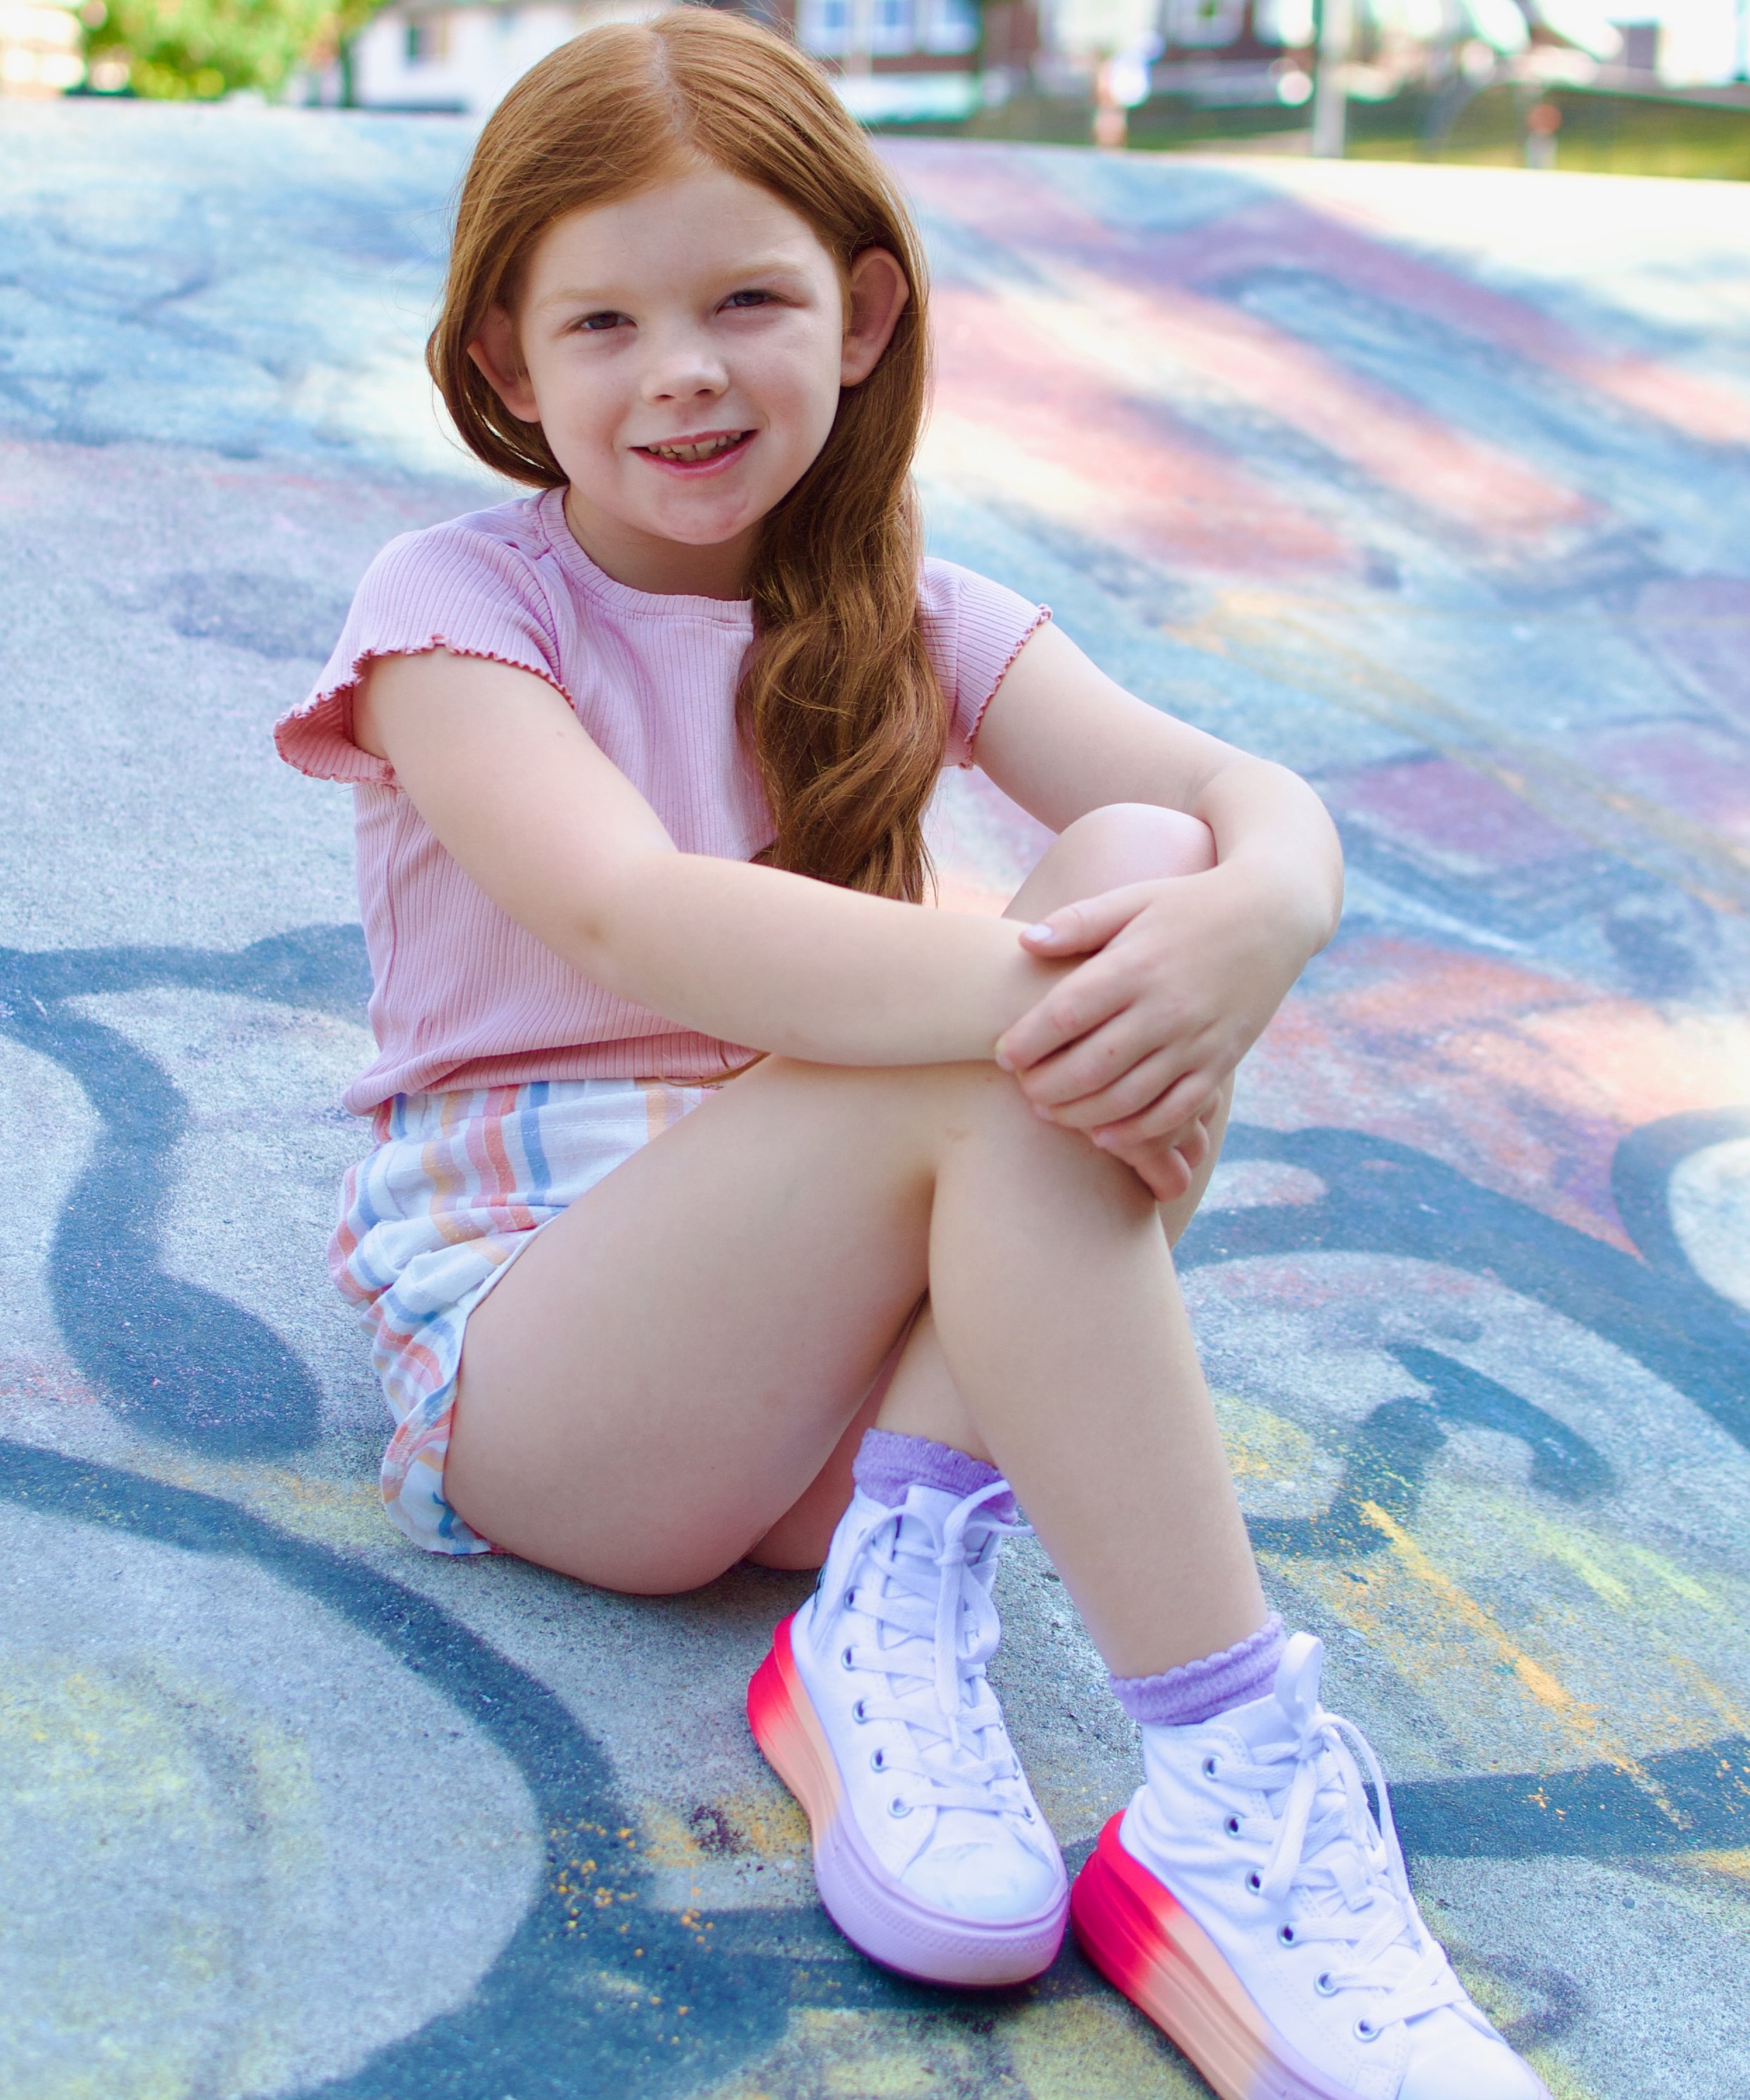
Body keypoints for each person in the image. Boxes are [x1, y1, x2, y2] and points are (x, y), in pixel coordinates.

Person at [274, 15, 1547, 2098]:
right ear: (507, 361)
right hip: (558, 1370)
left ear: (862, 317)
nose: (682, 372)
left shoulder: (915, 612)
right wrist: (1084, 1008)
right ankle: (1235, 1778)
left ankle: (898, 1598)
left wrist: (1264, 909)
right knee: (1038, 1004)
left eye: (747, 303)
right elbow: (634, 914)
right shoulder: (455, 610)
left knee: (1148, 866)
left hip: (848, 1415)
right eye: (603, 322)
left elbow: (1237, 796)